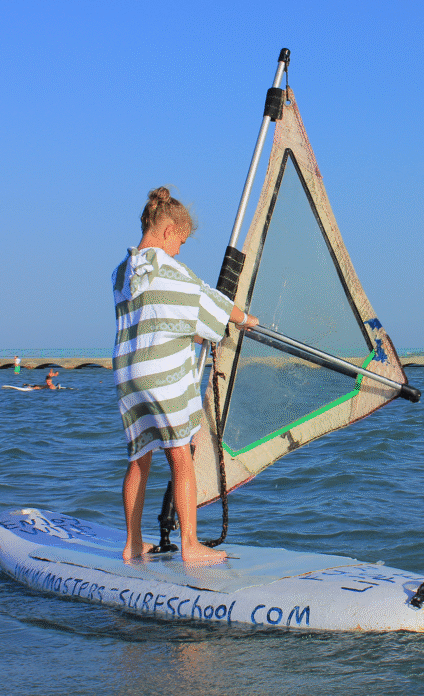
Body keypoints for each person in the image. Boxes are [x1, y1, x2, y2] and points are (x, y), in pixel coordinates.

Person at [113, 186, 259, 564]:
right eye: (180, 240)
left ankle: (132, 544)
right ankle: (191, 546)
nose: (179, 250)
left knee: (140, 457)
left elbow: (158, 318)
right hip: (162, 377)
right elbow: (208, 301)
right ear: (167, 232)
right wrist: (245, 320)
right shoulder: (171, 269)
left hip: (128, 376)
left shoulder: (121, 273)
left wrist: (194, 332)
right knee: (181, 456)